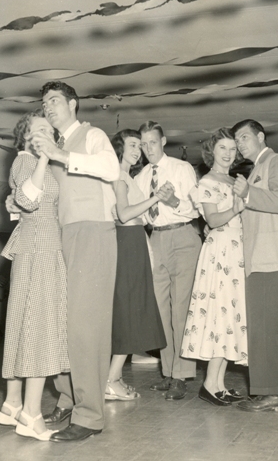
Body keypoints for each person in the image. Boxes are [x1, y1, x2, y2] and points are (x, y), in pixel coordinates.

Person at [24, 81, 120, 441]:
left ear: (73, 104)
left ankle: (90, 416)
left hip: (92, 232)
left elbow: (111, 169)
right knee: (63, 323)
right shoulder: (54, 146)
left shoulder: (91, 135)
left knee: (86, 328)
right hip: (62, 236)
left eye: (54, 101)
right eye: (44, 102)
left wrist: (59, 154)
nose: (48, 107)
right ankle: (67, 397)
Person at [0, 110, 69, 441]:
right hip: (39, 247)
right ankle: (31, 413)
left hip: (38, 247)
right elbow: (26, 199)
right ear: (25, 136)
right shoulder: (26, 160)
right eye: (40, 129)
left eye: (50, 130)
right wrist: (43, 157)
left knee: (25, 323)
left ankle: (12, 403)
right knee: (39, 329)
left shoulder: (35, 162)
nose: (47, 133)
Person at [230, 119, 278, 412]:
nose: (240, 143)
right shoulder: (257, 169)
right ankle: (267, 390)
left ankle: (274, 392)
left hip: (271, 257)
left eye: (244, 137)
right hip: (259, 258)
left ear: (261, 136)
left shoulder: (276, 161)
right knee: (260, 326)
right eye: (237, 140)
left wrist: (247, 193)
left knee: (267, 326)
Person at [134, 121, 201, 401]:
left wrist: (173, 201)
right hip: (156, 240)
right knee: (160, 313)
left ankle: (181, 375)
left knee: (180, 311)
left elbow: (196, 209)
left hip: (183, 237)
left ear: (163, 141)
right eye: (143, 144)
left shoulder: (181, 168)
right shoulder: (141, 176)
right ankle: (169, 371)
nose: (148, 148)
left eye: (152, 142)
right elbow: (137, 213)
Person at [180, 128, 247, 406]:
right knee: (220, 316)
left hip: (236, 251)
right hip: (220, 251)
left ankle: (218, 383)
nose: (229, 154)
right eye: (223, 148)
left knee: (229, 317)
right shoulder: (207, 181)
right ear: (212, 151)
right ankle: (209, 383)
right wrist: (236, 208)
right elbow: (213, 218)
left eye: (232, 149)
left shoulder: (234, 180)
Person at [106, 129, 167, 400]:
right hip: (128, 241)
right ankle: (111, 379)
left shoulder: (126, 176)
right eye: (132, 145)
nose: (138, 150)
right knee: (129, 311)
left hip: (134, 241)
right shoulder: (119, 176)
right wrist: (156, 197)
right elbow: (123, 213)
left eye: (140, 146)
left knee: (131, 310)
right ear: (119, 147)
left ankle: (114, 377)